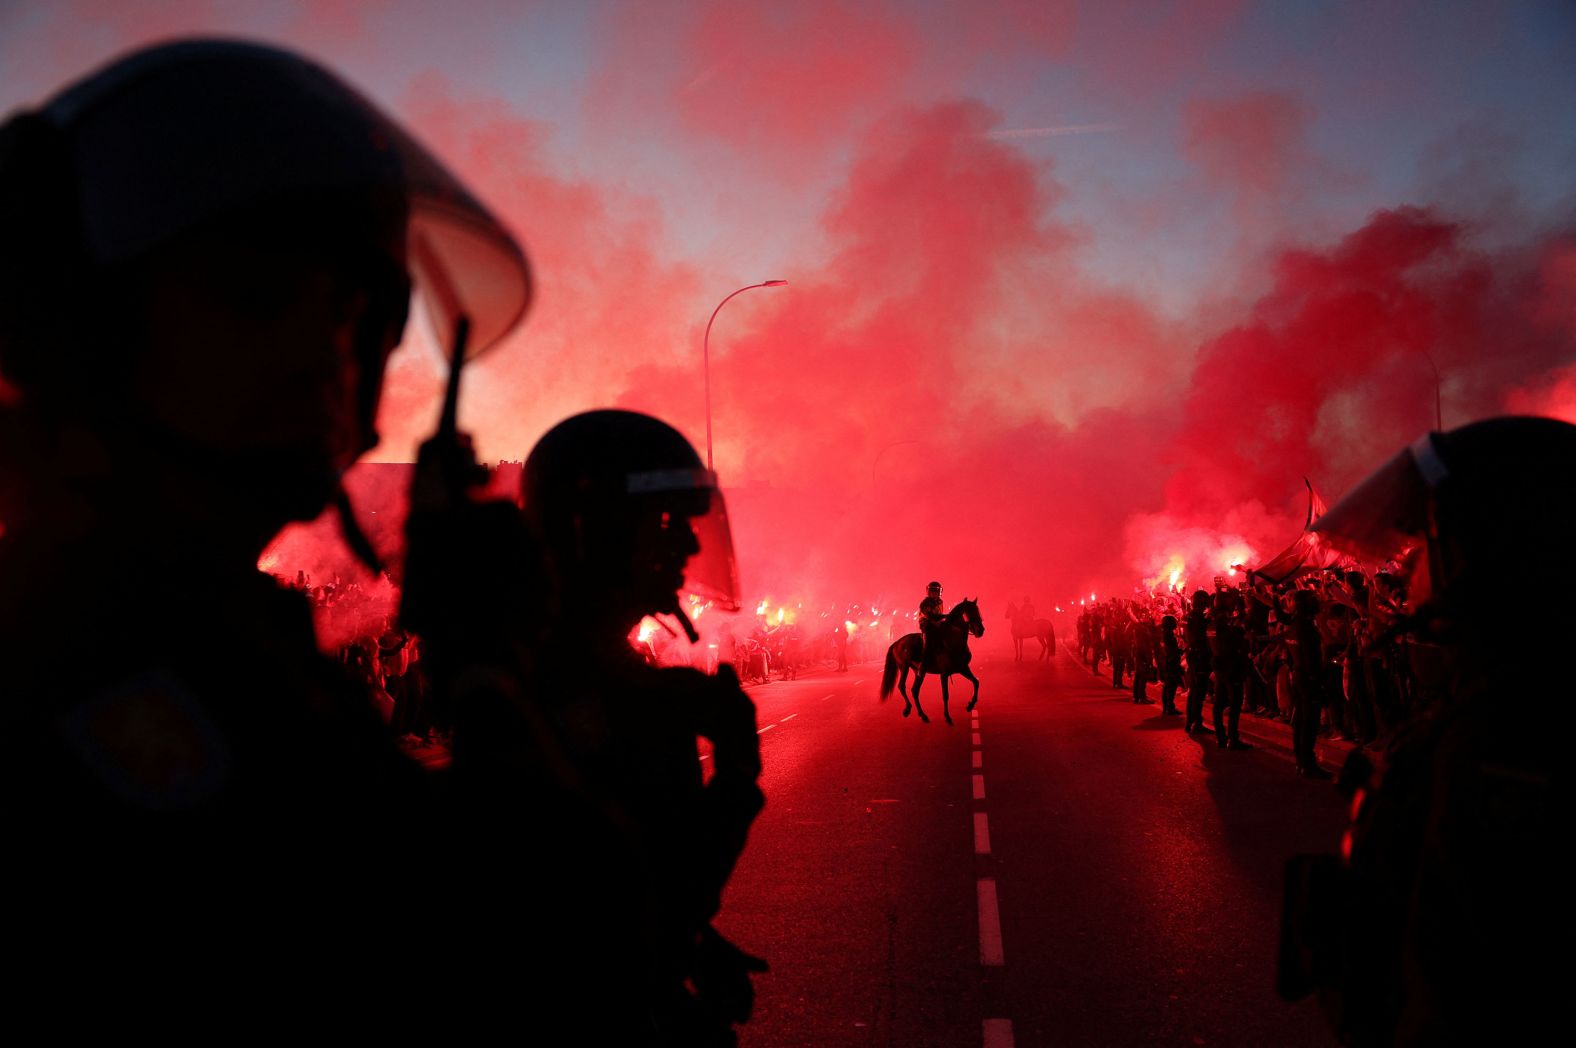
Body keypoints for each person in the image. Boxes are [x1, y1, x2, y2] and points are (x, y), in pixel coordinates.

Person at [0, 39, 530, 1029]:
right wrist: (489, 678)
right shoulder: (92, 656)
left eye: (352, 313)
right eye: (256, 296)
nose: (321, 355)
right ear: (81, 322)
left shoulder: (218, 621)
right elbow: (505, 954)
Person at [454, 409, 767, 1044]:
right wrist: (735, 776)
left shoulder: (600, 668)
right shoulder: (559, 690)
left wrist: (698, 949)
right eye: (662, 522)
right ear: (590, 532)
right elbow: (602, 902)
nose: (684, 543)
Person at [1281, 417, 1573, 1045]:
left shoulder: (1507, 744)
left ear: (1492, 553)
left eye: (1425, 548)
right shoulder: (1497, 705)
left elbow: (1466, 986)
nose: (1411, 575)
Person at [918, 579, 946, 668]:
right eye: (933, 592)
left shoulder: (940, 602)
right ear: (929, 592)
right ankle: (923, 663)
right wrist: (945, 617)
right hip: (926, 623)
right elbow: (930, 616)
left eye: (937, 592)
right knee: (929, 640)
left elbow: (939, 614)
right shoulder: (925, 603)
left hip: (937, 623)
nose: (935, 594)